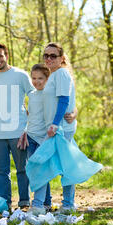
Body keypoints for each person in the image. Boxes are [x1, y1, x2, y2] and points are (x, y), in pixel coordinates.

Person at [18, 64, 77, 215]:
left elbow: (67, 104)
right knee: (38, 171)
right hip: (32, 137)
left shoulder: (50, 94)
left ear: (48, 79)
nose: (37, 82)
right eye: (34, 78)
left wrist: (74, 113)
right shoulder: (31, 94)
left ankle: (62, 203)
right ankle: (43, 204)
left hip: (46, 137)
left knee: (55, 169)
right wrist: (25, 130)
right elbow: (31, 116)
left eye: (41, 78)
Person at [0, 42, 34, 211]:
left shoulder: (20, 75)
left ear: (7, 55)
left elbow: (34, 96)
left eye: (0, 56)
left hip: (18, 131)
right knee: (0, 171)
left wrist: (29, 126)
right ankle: (4, 203)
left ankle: (24, 202)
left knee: (22, 168)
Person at [39, 42, 78, 214]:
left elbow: (63, 101)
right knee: (63, 164)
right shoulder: (54, 75)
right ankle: (59, 203)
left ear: (62, 59)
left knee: (62, 165)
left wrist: (55, 124)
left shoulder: (61, 73)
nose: (48, 58)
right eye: (46, 55)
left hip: (61, 128)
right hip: (57, 126)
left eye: (53, 56)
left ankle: (67, 204)